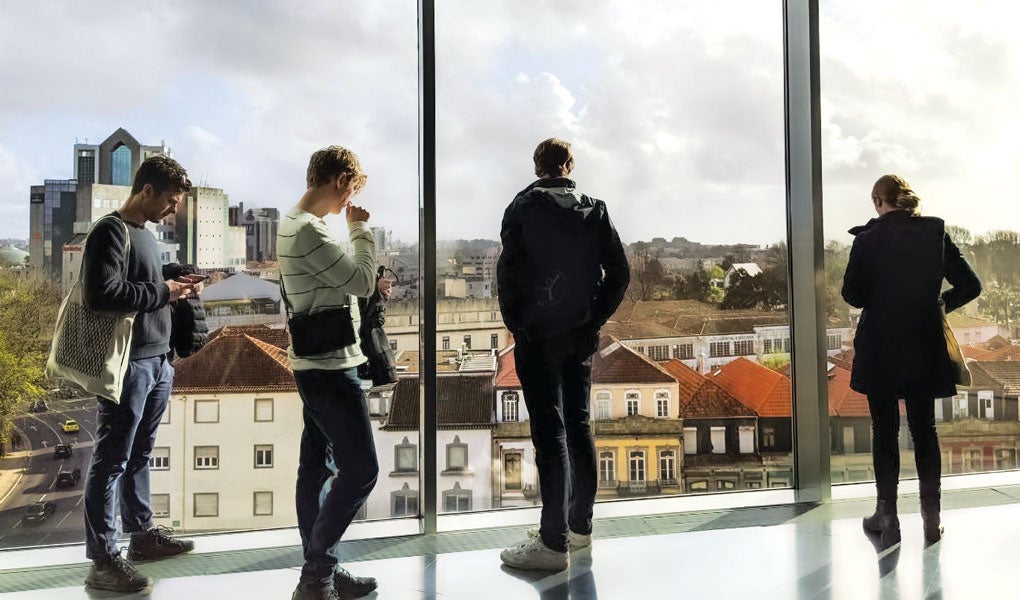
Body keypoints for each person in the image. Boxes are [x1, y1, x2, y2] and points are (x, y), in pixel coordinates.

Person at [497, 138, 630, 571]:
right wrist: (595, 318)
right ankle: (579, 529)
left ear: (538, 168)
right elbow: (620, 272)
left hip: (537, 336)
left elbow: (508, 272)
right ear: (570, 165)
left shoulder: (523, 207)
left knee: (549, 432)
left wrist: (518, 324)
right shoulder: (596, 209)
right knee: (579, 425)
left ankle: (552, 543)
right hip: (579, 336)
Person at [80, 156, 203, 593]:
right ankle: (103, 560)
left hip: (157, 360)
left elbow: (141, 280)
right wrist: (163, 290)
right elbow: (102, 294)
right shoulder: (109, 231)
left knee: (139, 455)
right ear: (146, 190)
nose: (174, 209)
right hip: (128, 363)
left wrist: (172, 277)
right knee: (111, 459)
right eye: (170, 200)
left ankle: (142, 537)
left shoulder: (145, 235)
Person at [842, 174, 981, 547]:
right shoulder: (934, 234)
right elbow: (971, 285)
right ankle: (931, 520)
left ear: (877, 200)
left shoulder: (867, 239)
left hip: (880, 346)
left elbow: (852, 295)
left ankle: (887, 518)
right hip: (923, 343)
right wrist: (938, 304)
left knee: (883, 431)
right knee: (925, 431)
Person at [278, 146, 385, 600]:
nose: (349, 201)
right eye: (351, 190)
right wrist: (360, 229)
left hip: (316, 363)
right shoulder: (308, 233)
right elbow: (361, 282)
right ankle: (317, 572)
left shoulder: (296, 225)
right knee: (361, 470)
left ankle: (321, 569)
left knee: (316, 469)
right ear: (341, 181)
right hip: (329, 367)